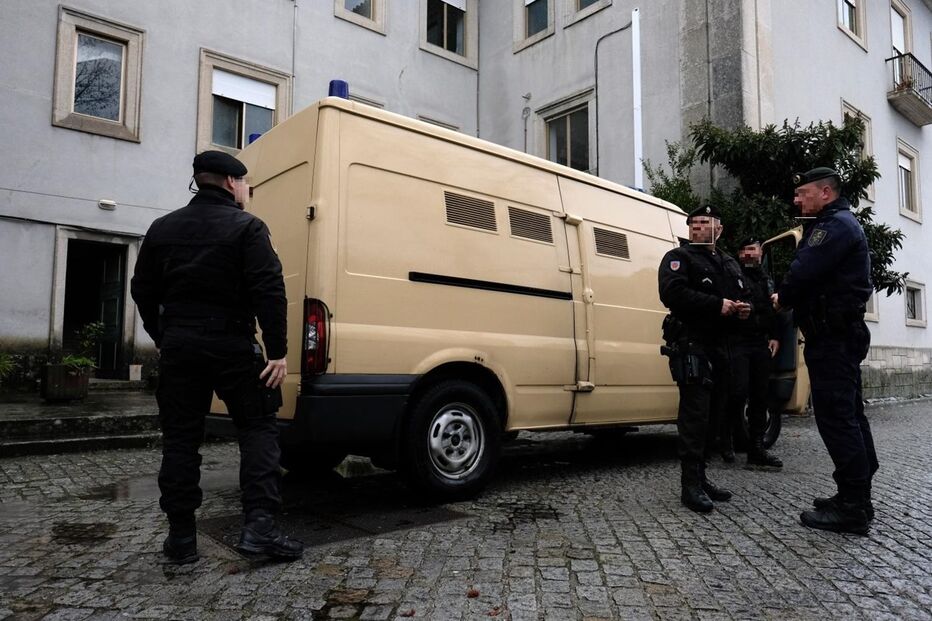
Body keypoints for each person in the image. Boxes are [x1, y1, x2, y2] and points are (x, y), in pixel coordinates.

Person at [131, 150, 303, 563]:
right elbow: (269, 290)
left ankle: (181, 540)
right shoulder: (248, 227)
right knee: (258, 429)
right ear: (230, 183)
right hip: (232, 346)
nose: (247, 190)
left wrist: (163, 336)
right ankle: (259, 529)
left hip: (180, 348)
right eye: (245, 184)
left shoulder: (162, 228)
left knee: (180, 440)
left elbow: (142, 290)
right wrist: (278, 353)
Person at [772, 167, 877, 535]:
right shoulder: (843, 223)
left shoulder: (832, 227)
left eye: (803, 193)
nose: (797, 199)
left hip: (833, 337)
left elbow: (803, 272)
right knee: (849, 414)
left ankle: (853, 507)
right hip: (839, 335)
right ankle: (855, 494)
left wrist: (781, 298)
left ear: (826, 193)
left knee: (838, 419)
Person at [659, 205, 750, 513]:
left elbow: (741, 294)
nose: (697, 227)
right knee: (695, 415)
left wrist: (742, 308)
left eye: (704, 222)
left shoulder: (728, 262)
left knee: (717, 414)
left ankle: (703, 476)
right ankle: (690, 485)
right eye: (693, 223)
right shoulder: (678, 258)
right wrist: (716, 305)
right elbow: (672, 294)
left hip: (723, 347)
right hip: (693, 344)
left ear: (719, 228)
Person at [724, 239, 783, 469]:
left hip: (760, 343)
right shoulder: (732, 273)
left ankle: (756, 450)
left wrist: (775, 335)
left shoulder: (766, 278)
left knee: (760, 396)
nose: (748, 254)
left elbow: (774, 310)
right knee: (737, 393)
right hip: (738, 342)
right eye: (743, 250)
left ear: (760, 252)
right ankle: (726, 438)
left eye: (752, 249)